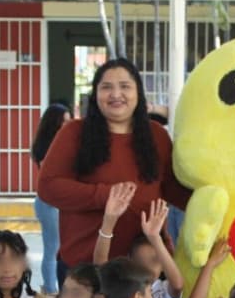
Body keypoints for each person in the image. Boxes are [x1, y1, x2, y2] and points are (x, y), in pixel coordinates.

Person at [37, 58, 190, 283]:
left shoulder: (156, 134)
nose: (115, 94)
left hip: (146, 269)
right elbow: (48, 187)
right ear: (95, 93)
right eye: (106, 87)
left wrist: (212, 203)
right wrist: (105, 195)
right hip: (87, 272)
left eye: (125, 86)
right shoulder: (74, 133)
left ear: (138, 93)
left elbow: (172, 188)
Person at [31, 103, 71, 293]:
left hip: (56, 203)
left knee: (58, 248)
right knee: (53, 248)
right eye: (64, 121)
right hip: (49, 203)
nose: (67, 124)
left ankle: (54, 288)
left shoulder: (60, 143)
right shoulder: (48, 146)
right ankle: (49, 289)